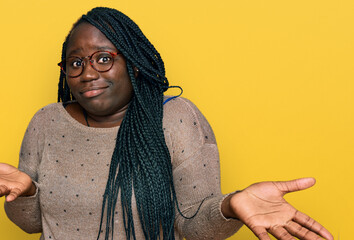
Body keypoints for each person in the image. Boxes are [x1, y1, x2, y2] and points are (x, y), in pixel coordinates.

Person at [1, 7, 333, 240]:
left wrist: (230, 206)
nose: (88, 73)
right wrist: (27, 192)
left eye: (104, 58)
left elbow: (194, 224)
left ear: (134, 63)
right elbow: (33, 224)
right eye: (75, 63)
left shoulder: (175, 118)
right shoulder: (46, 122)